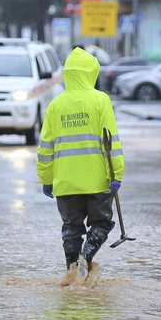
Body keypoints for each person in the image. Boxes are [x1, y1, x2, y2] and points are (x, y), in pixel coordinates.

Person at [38, 47, 123, 288]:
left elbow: (45, 148)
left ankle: (71, 271)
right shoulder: (100, 100)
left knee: (71, 228)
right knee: (102, 223)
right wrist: (116, 174)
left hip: (65, 183)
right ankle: (87, 255)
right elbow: (111, 143)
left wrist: (46, 178)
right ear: (91, 72)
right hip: (97, 181)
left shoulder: (56, 105)